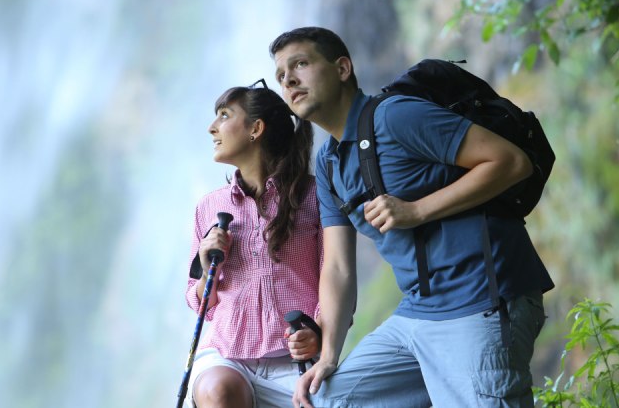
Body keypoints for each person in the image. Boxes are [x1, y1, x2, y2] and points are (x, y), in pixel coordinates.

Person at [269, 26, 555, 408]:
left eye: (300, 64)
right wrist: (329, 355)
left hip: (480, 298)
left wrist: (416, 209)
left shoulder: (396, 117)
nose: (289, 79)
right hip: (418, 313)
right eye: (281, 76)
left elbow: (510, 162)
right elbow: (337, 266)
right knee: (333, 399)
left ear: (342, 68)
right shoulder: (328, 163)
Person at [184, 80, 323, 408]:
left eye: (223, 115)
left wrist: (318, 332)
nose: (211, 128)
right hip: (227, 356)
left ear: (255, 129)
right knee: (219, 393)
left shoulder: (315, 196)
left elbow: (335, 275)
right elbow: (199, 303)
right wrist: (207, 269)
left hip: (296, 358)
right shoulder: (209, 207)